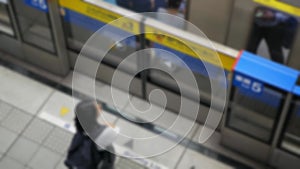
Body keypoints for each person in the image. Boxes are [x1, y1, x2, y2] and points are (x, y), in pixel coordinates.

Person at [65, 100, 117, 169]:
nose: (99, 106)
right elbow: (114, 130)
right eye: (96, 107)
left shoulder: (80, 132)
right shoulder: (101, 137)